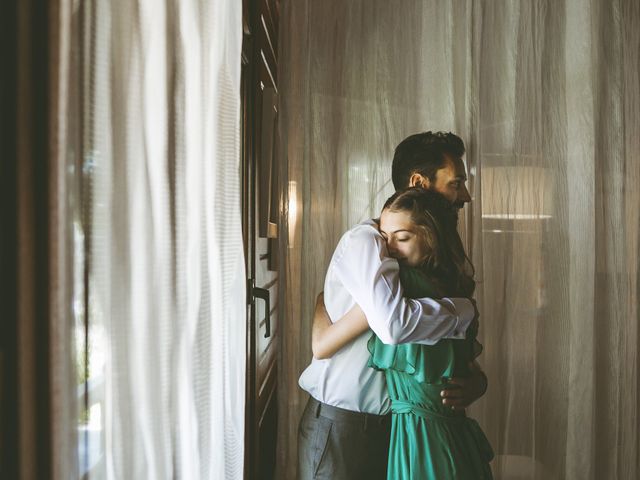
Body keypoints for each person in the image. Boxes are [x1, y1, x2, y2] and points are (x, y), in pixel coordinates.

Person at [297, 132, 488, 480]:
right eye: (456, 183)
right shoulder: (370, 241)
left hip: (402, 431)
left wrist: (477, 382)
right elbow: (393, 325)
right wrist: (461, 312)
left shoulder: (431, 263)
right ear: (419, 182)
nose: (465, 195)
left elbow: (457, 358)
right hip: (346, 427)